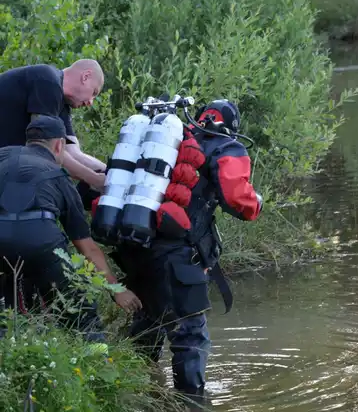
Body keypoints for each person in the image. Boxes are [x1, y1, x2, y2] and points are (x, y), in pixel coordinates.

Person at [107, 99, 263, 407]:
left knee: (149, 320)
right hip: (177, 257)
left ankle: (138, 392)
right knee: (190, 333)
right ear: (230, 127)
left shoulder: (169, 140)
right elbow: (238, 201)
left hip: (135, 246)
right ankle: (192, 403)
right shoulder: (223, 147)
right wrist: (256, 201)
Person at [0, 115, 142, 342]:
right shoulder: (59, 177)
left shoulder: (3, 155)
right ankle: (97, 363)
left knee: (5, 313)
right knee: (80, 314)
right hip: (40, 241)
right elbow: (86, 247)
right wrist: (116, 290)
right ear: (59, 146)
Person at [0, 59, 108, 191]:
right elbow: (46, 148)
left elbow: (73, 152)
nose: (91, 102)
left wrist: (110, 172)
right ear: (85, 77)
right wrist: (94, 179)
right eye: (94, 93)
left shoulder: (62, 104)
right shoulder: (47, 80)